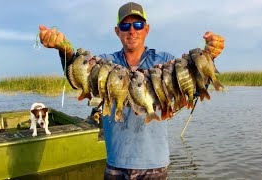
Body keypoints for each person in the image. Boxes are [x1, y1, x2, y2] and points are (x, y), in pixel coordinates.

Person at [39, 2, 224, 179]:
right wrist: (65, 51)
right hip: (116, 162)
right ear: (117, 31)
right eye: (125, 26)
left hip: (154, 164)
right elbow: (80, 78)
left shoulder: (166, 61)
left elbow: (192, 87)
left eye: (137, 24)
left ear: (147, 28)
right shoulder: (106, 63)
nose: (132, 31)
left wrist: (209, 57)